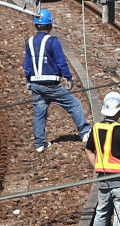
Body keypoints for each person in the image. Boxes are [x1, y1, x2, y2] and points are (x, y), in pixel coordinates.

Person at [25, 9, 92, 152]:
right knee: (74, 104)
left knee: (39, 113)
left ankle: (39, 144)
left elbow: (27, 64)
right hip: (52, 85)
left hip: (36, 84)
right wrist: (68, 77)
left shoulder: (30, 42)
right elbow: (61, 62)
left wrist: (28, 81)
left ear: (36, 25)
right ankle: (85, 132)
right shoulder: (52, 42)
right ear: (50, 25)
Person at [85, 91, 120, 226]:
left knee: (101, 212)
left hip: (103, 180)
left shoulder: (96, 128)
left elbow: (88, 150)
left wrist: (97, 166)